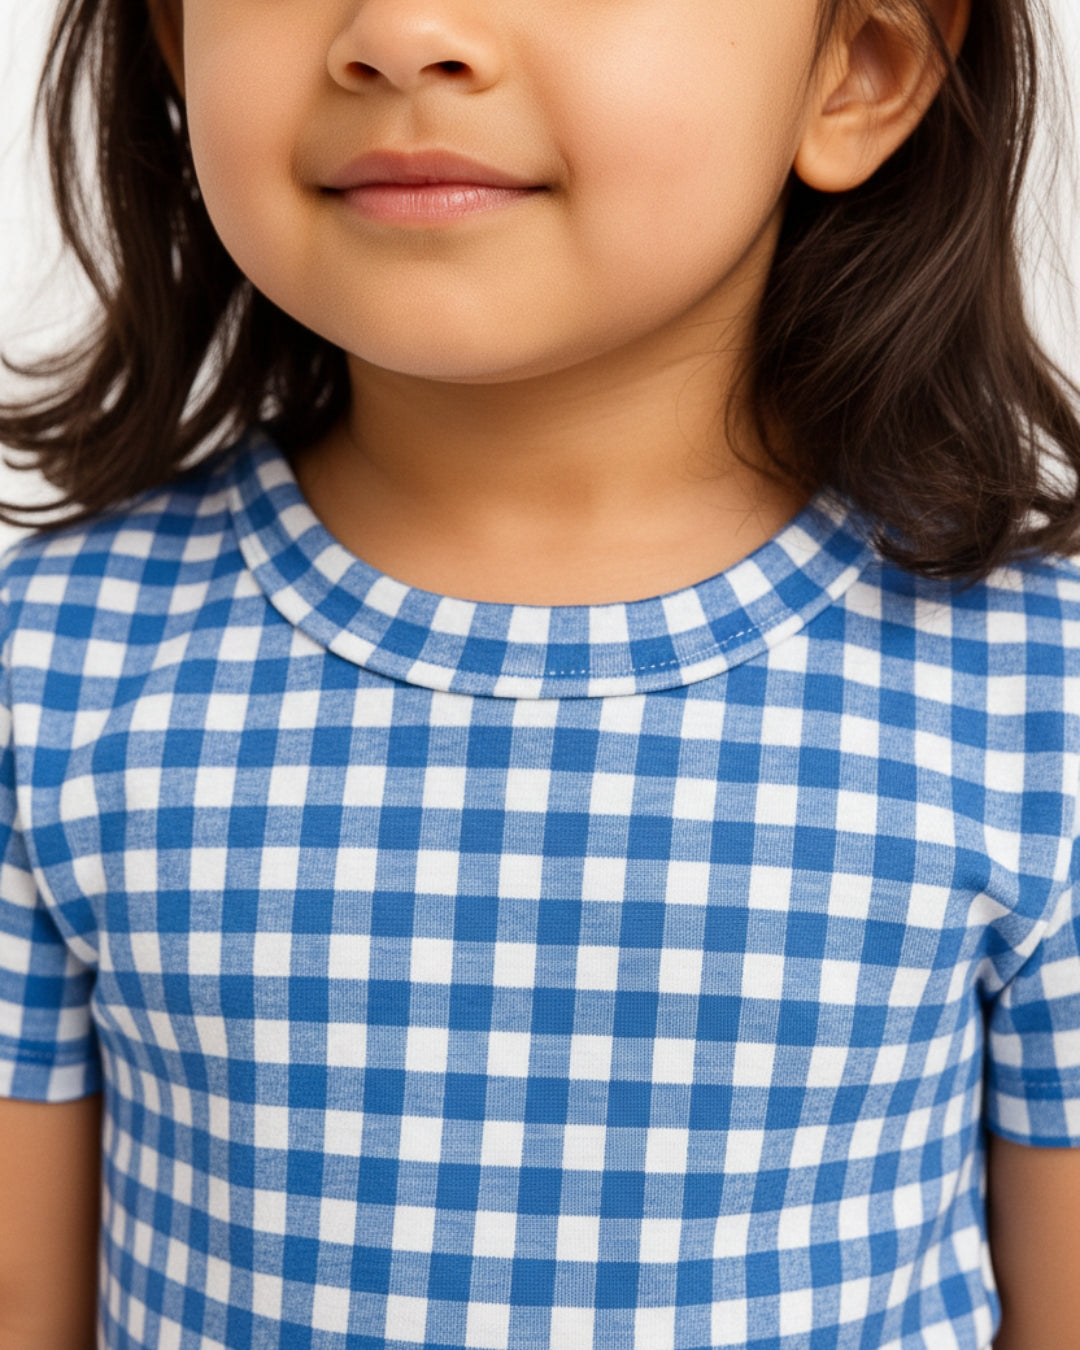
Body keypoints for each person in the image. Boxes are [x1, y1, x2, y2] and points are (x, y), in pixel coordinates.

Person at [0, 0, 1079, 1345]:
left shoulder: (1036, 700)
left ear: (857, 67)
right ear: (175, 41)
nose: (402, 32)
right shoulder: (53, 668)